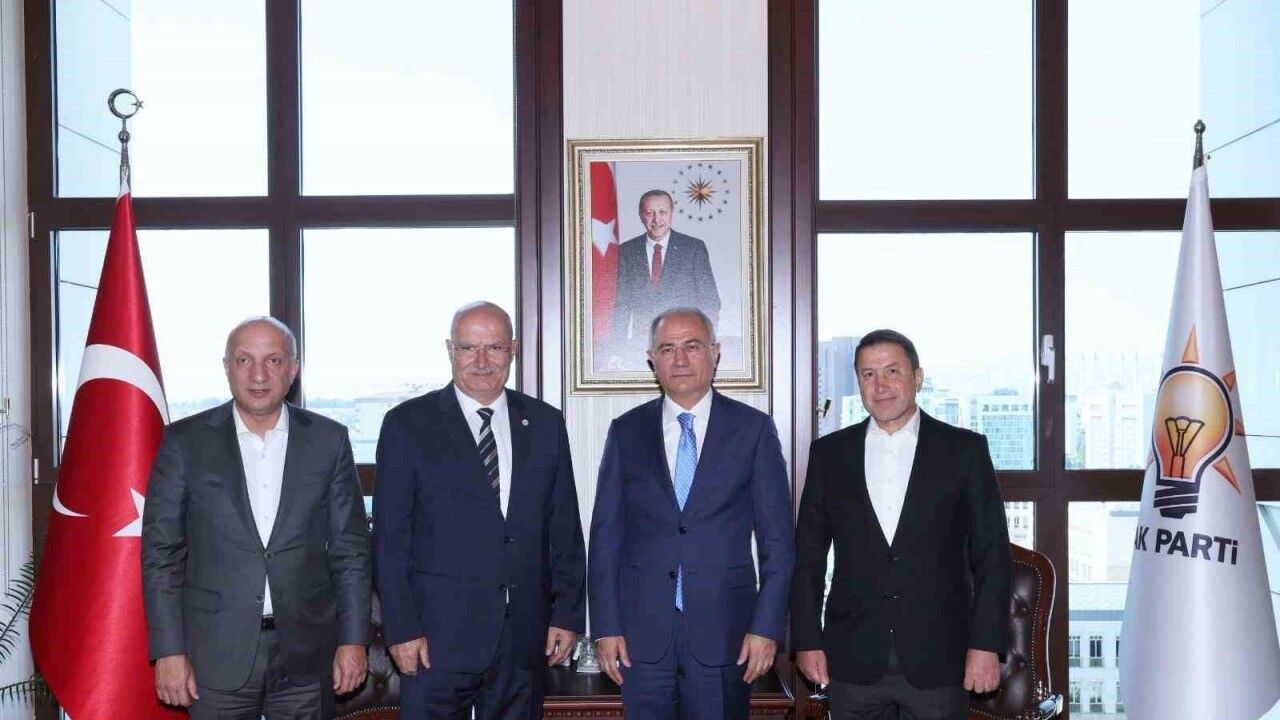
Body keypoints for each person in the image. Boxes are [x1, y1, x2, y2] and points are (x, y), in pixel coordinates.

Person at [143, 316, 372, 719]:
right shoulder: (184, 442)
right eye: (244, 360)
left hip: (307, 654)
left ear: (294, 369)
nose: (259, 375)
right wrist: (169, 650)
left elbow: (350, 551)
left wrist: (353, 640)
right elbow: (162, 555)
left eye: (273, 360)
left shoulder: (329, 440)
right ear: (226, 367)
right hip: (213, 654)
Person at [374, 301, 586, 720]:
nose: (482, 361)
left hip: (523, 639)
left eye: (494, 347)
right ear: (450, 350)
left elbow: (563, 527)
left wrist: (567, 615)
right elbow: (390, 540)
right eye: (469, 348)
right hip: (434, 641)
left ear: (513, 350)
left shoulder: (545, 423)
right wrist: (402, 629)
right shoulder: (407, 425)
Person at [790, 329, 1012, 720]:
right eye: (868, 374)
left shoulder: (964, 451)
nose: (880, 385)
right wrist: (806, 640)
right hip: (852, 659)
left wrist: (986, 645)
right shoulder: (829, 455)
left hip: (941, 659)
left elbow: (992, 556)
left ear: (918, 377)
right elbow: (808, 558)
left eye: (892, 371)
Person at [588, 307, 794, 720]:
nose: (680, 359)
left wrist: (766, 627)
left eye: (692, 346)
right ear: (652, 359)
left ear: (715, 353)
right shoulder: (626, 432)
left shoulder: (753, 430)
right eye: (668, 349)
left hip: (728, 634)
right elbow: (605, 538)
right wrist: (606, 627)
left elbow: (779, 544)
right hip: (641, 639)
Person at [610, 190, 721, 352]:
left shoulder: (693, 248)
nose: (656, 219)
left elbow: (710, 301)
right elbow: (621, 307)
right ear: (641, 216)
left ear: (671, 213)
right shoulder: (626, 252)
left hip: (686, 344)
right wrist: (617, 350)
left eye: (662, 212)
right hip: (642, 346)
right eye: (650, 213)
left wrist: (705, 343)